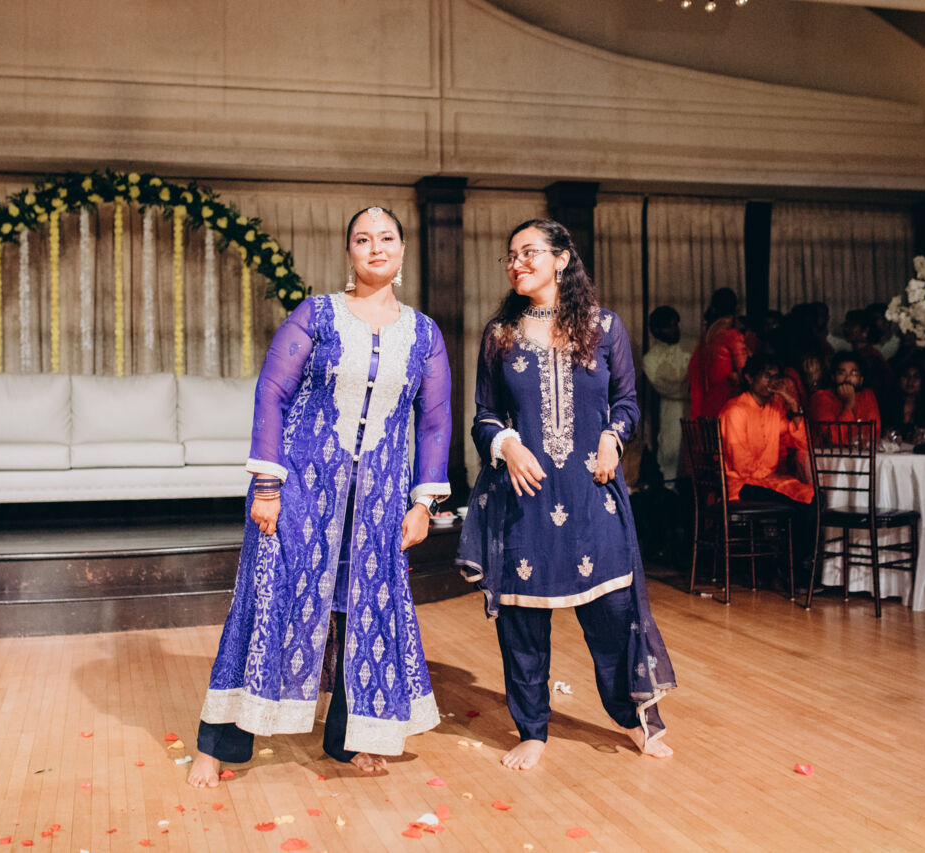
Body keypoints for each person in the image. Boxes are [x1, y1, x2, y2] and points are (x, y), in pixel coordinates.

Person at [188, 207, 453, 786]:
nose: (376, 247)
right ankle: (218, 744)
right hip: (301, 493)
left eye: (387, 238)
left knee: (364, 612)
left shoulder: (424, 335)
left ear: (402, 251)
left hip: (380, 502)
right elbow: (272, 393)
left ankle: (348, 739)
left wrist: (423, 504)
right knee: (268, 603)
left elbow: (434, 421)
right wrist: (267, 486)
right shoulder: (318, 315)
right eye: (363, 239)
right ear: (348, 252)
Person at [456, 219, 676, 772]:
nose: (517, 264)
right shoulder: (500, 334)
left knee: (614, 613)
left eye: (529, 252)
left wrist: (613, 435)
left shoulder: (604, 327)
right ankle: (532, 730)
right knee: (522, 623)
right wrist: (506, 445)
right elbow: (484, 414)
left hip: (592, 493)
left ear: (561, 259)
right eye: (510, 256)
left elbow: (627, 401)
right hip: (525, 498)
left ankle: (634, 719)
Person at [718, 354, 816, 589]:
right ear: (749, 378)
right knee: (796, 504)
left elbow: (800, 442)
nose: (772, 382)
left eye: (776, 377)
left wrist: (794, 406)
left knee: (812, 496)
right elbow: (741, 463)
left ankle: (796, 565)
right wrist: (772, 477)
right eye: (766, 376)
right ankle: (788, 568)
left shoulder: (774, 408)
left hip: (765, 481)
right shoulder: (735, 410)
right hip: (739, 484)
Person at [641, 305, 692, 482]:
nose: (674, 330)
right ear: (656, 330)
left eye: (675, 325)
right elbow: (667, 389)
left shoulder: (690, 349)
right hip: (670, 413)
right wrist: (688, 389)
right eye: (669, 326)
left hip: (694, 408)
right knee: (671, 452)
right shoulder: (650, 359)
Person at [688, 288, 748, 418]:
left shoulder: (708, 335)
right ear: (735, 308)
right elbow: (745, 373)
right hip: (729, 398)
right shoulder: (733, 336)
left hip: (709, 398)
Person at [808, 351, 882, 443]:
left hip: (862, 451)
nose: (847, 379)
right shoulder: (821, 398)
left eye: (853, 374)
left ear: (861, 380)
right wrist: (848, 406)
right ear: (833, 377)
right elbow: (834, 439)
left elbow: (873, 434)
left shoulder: (867, 396)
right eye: (841, 373)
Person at [881, 358, 925, 442]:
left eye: (916, 377)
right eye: (906, 376)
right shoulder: (888, 404)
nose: (910, 381)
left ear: (922, 381)